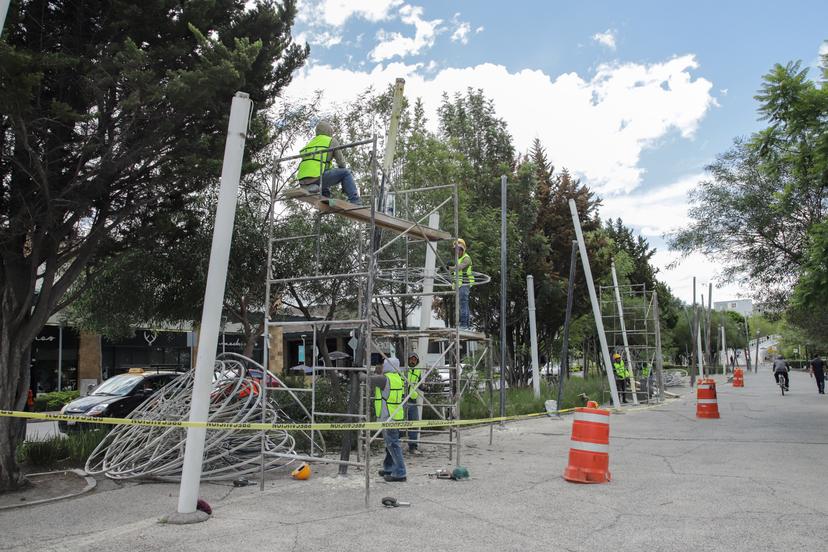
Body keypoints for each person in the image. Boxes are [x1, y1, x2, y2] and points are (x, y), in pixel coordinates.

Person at [296, 120, 362, 205]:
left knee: (324, 173)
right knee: (346, 173)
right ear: (329, 131)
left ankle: (323, 195)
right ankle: (355, 201)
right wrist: (345, 183)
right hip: (317, 177)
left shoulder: (311, 143)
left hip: (302, 180)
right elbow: (341, 163)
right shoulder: (331, 141)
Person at [362, 357, 407, 482]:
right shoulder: (398, 377)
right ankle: (389, 468)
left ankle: (400, 472)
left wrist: (358, 370)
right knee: (390, 445)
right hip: (396, 416)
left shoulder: (384, 379)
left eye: (383, 364)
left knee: (393, 446)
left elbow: (365, 379)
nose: (382, 365)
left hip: (388, 418)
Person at [448, 238, 474, 330]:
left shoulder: (466, 258)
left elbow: (459, 267)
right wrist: (453, 284)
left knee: (463, 304)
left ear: (463, 249)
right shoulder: (458, 259)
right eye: (455, 249)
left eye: (459, 249)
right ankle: (465, 324)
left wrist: (450, 268)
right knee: (463, 304)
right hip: (460, 284)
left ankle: (464, 325)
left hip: (465, 284)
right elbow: (455, 274)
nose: (457, 251)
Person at [405, 352, 423, 456]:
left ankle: (413, 447)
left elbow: (419, 384)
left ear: (417, 361)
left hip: (412, 400)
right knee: (399, 423)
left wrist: (425, 388)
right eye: (411, 359)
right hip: (401, 399)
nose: (412, 361)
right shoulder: (402, 369)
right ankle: (395, 445)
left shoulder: (417, 371)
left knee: (414, 424)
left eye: (414, 360)